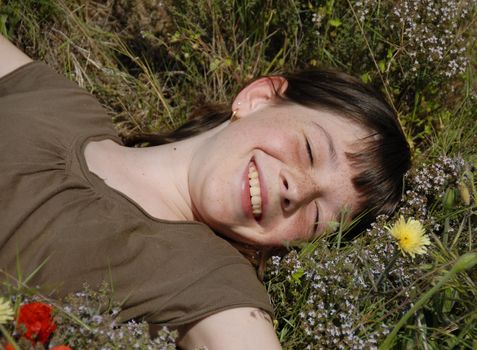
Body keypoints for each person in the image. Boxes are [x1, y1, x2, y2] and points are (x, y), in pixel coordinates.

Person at [0, 34, 411, 349]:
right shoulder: (64, 104)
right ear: (259, 98)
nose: (296, 190)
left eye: (317, 216)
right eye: (309, 150)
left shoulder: (208, 281)